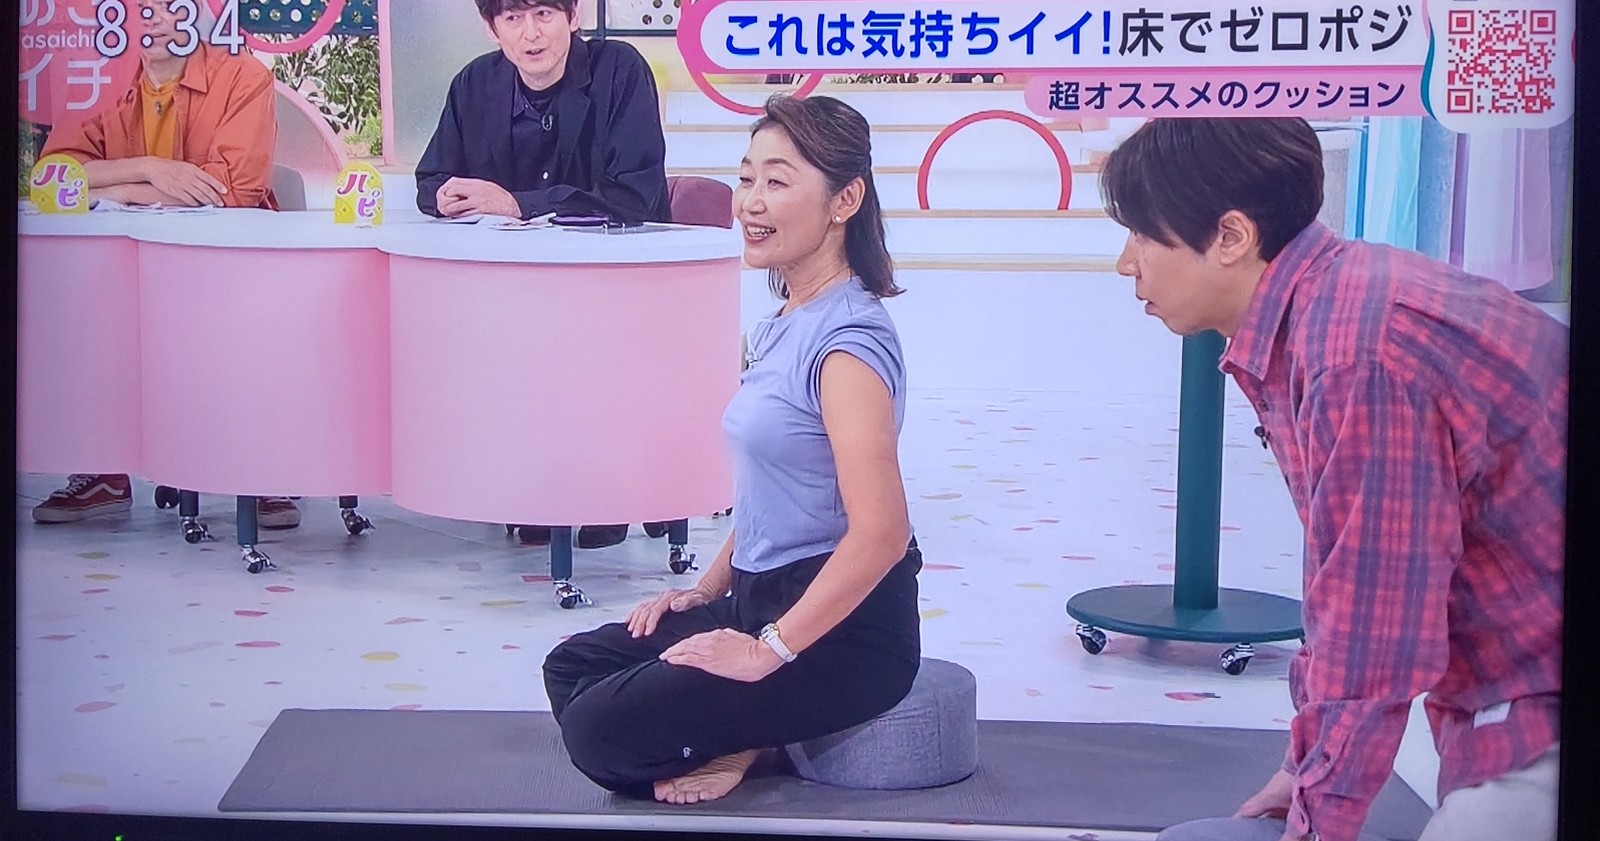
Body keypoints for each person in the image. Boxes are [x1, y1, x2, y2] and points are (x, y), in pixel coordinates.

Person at [1098, 118, 1563, 841]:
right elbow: (1348, 589)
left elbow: (1376, 630)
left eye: (1141, 235)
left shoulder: (1356, 353)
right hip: (1507, 677)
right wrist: (1305, 768)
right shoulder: (1337, 301)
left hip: (1544, 692)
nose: (1125, 264)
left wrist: (1318, 818)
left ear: (1230, 237)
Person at [541, 94, 921, 804]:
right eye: (746, 178)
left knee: (596, 731)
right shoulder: (785, 321)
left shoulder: (849, 345)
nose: (751, 201)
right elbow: (774, 490)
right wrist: (706, 590)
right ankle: (739, 735)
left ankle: (747, 738)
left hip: (844, 635)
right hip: (758, 593)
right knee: (573, 666)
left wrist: (764, 651)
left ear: (845, 200)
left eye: (777, 181)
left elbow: (883, 534)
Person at [32, 0, 298, 529]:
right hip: (126, 261)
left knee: (241, 329)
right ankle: (103, 471)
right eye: (138, 9)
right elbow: (51, 176)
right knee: (78, 301)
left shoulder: (243, 77)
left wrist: (111, 187)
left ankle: (263, 470)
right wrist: (150, 170)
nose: (149, 18)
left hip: (224, 261)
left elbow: (234, 188)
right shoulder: (99, 81)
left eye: (161, 7)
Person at [417, 0, 671, 548]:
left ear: (573, 17)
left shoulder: (620, 71)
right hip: (518, 292)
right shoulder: (474, 86)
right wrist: (444, 196)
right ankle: (536, 489)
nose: (530, 33)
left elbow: (633, 195)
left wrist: (519, 204)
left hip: (617, 283)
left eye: (543, 14)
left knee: (584, 350)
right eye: (512, 19)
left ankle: (608, 494)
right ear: (492, 29)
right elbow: (431, 176)